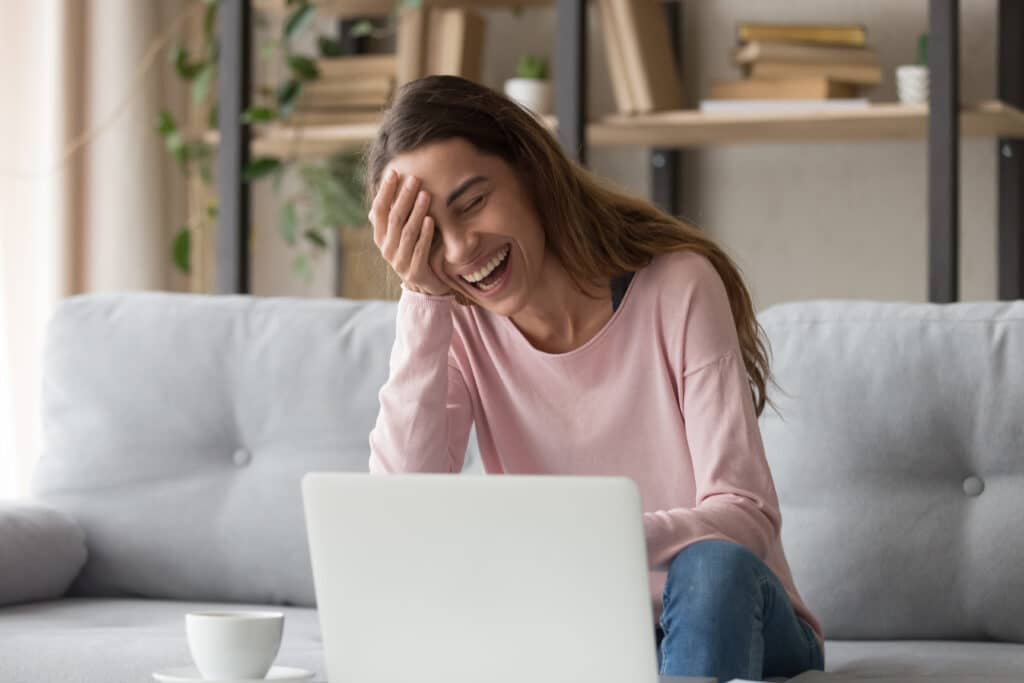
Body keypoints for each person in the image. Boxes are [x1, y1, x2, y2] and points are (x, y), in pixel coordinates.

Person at [364, 74, 824, 682]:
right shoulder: (460, 329)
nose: (459, 250)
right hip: (587, 628)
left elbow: (746, 515)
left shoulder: (679, 286)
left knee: (712, 566)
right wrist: (423, 298)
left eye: (472, 202)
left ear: (529, 170)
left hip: (741, 618)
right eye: (428, 236)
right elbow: (402, 510)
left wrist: (600, 537)